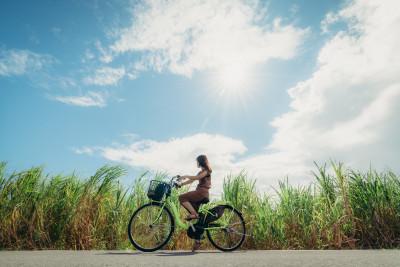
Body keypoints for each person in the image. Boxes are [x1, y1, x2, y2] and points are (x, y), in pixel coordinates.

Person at [177, 155, 212, 251]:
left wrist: (184, 176)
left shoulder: (206, 170)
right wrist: (181, 185)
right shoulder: (202, 171)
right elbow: (192, 180)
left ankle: (193, 213)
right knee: (196, 221)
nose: (196, 163)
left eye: (197, 161)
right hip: (201, 193)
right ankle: (198, 241)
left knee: (182, 197)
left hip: (201, 193)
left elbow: (197, 178)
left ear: (200, 162)